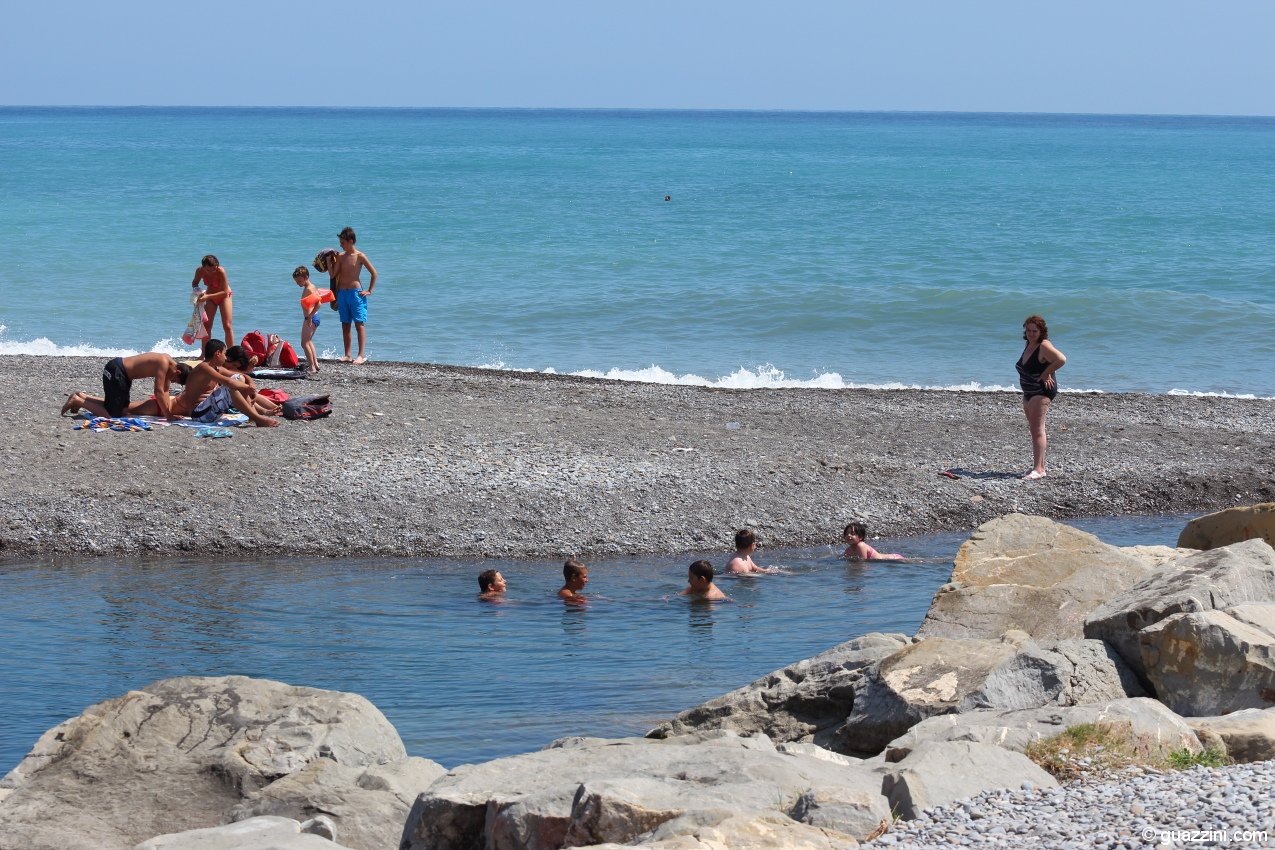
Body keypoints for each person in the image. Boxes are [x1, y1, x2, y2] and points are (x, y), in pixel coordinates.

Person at [118, 340, 279, 427]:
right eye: (224, 354)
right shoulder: (203, 368)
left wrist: (249, 382)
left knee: (239, 380)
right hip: (199, 414)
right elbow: (228, 381)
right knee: (232, 386)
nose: (226, 357)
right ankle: (257, 418)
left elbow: (238, 376)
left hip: (206, 411)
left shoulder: (216, 368)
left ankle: (259, 414)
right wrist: (248, 388)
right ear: (217, 353)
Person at [61, 352, 191, 419]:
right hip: (118, 372)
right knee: (113, 415)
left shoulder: (170, 365)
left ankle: (82, 396)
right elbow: (158, 391)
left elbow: (166, 390)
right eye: (175, 380)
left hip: (120, 372)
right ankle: (78, 401)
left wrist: (168, 413)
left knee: (121, 408)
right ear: (177, 372)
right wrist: (168, 416)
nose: (173, 381)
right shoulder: (163, 363)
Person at [1016, 315, 1067, 480]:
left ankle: (1038, 469)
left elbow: (1061, 359)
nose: (1031, 334)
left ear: (1041, 331)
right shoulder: (1029, 344)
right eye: (1028, 330)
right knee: (1035, 429)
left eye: (1035, 331)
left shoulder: (1044, 345)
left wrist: (1046, 373)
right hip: (1029, 392)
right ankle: (1040, 467)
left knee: (1037, 430)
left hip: (1041, 391)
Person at [331, 227, 378, 364]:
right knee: (345, 325)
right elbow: (333, 275)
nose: (341, 245)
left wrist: (369, 290)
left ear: (351, 241)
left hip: (355, 294)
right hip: (342, 294)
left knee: (359, 324)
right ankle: (347, 355)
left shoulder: (360, 256)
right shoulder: (340, 256)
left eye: (343, 242)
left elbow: (374, 273)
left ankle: (360, 355)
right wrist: (328, 261)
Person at [192, 254, 233, 344]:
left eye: (214, 269)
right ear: (203, 267)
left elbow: (225, 292)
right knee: (206, 325)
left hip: (224, 296)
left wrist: (207, 297)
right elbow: (195, 282)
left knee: (227, 325)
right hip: (210, 297)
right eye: (208, 270)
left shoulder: (221, 271)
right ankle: (205, 351)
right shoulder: (200, 271)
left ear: (217, 266)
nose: (211, 272)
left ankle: (231, 351)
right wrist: (197, 291)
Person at [293, 266, 323, 373]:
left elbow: (319, 303)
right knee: (308, 341)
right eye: (296, 282)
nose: (298, 284)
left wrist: (309, 317)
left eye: (299, 281)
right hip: (313, 317)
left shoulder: (309, 289)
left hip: (311, 318)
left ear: (306, 277)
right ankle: (315, 364)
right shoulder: (311, 286)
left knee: (304, 343)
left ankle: (312, 367)